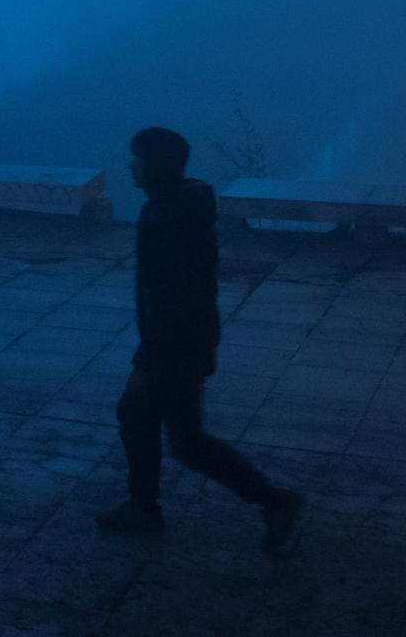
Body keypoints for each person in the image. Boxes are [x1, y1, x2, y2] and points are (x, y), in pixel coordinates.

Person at [96, 126, 304, 554]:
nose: (131, 165)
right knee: (185, 439)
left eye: (139, 158)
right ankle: (270, 501)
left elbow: (171, 296)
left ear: (157, 166)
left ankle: (147, 506)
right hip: (189, 342)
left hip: (176, 346)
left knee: (151, 419)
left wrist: (146, 361)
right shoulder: (180, 206)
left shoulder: (169, 217)